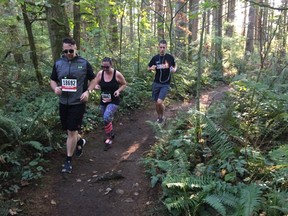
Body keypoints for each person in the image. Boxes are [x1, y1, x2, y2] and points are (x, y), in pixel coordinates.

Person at [50, 37, 97, 173]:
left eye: (71, 50)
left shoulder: (84, 63)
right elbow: (52, 80)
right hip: (63, 102)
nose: (68, 53)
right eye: (66, 51)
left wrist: (88, 91)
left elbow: (93, 79)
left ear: (75, 48)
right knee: (69, 130)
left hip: (78, 102)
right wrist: (55, 88)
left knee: (71, 131)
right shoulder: (58, 63)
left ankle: (68, 161)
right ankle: (80, 141)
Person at [94, 57, 127, 151]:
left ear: (111, 65)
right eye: (103, 67)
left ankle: (109, 138)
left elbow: (124, 84)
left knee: (106, 117)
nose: (105, 69)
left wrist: (118, 90)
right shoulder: (100, 73)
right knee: (106, 119)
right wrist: (97, 86)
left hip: (114, 100)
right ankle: (111, 133)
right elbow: (95, 83)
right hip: (104, 100)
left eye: (107, 67)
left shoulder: (117, 74)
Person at [147, 39, 177, 123]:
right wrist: (150, 68)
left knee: (159, 102)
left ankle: (163, 116)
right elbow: (148, 67)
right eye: (161, 47)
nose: (162, 49)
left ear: (166, 47)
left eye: (164, 47)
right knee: (156, 103)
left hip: (165, 84)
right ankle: (159, 117)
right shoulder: (155, 58)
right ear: (158, 47)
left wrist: (174, 69)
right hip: (156, 83)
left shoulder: (169, 57)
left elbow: (175, 65)